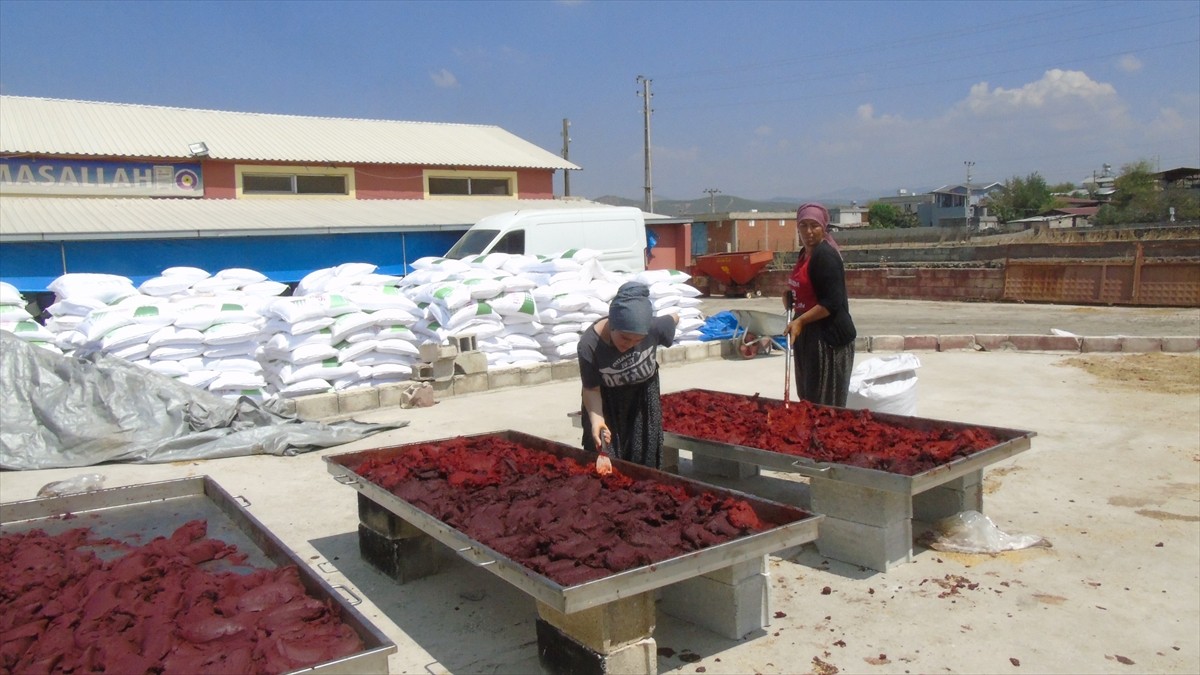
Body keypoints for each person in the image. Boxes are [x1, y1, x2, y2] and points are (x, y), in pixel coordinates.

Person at [578, 281, 679, 469]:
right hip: (607, 403)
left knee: (644, 461)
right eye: (625, 338)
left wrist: (674, 318)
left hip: (643, 400)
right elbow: (591, 389)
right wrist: (597, 422)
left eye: (638, 340)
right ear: (612, 324)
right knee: (605, 462)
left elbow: (674, 317)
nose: (630, 344)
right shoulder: (590, 345)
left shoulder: (655, 327)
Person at [785, 202, 856, 407]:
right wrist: (790, 296)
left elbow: (831, 303)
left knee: (825, 405)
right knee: (808, 399)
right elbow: (807, 289)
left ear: (824, 227)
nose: (808, 231)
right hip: (809, 337)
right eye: (803, 225)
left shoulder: (825, 256)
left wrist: (800, 322)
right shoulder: (804, 254)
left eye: (814, 226)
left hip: (829, 341)